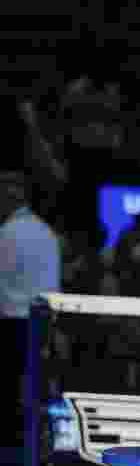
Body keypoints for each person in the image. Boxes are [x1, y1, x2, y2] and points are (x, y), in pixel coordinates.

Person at [0, 169, 61, 447]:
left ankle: (14, 442)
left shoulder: (7, 232)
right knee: (37, 385)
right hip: (44, 320)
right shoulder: (45, 231)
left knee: (13, 390)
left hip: (13, 322)